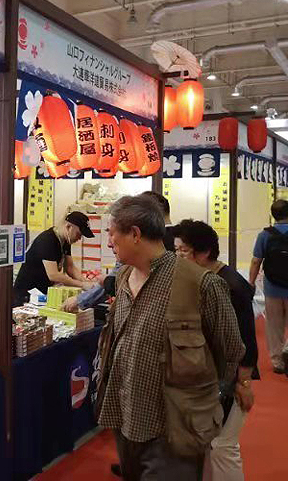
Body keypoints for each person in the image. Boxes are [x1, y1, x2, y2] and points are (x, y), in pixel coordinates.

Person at [97, 195, 244, 481]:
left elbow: (230, 350)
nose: (109, 242)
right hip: (125, 417)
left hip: (174, 427)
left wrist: (203, 403)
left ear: (135, 234)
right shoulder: (124, 277)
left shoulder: (201, 284)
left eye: (111, 233)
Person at [173, 219, 258, 481]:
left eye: (183, 250)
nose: (178, 256)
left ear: (204, 253)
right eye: (176, 250)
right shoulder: (201, 278)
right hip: (208, 376)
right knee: (209, 445)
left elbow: (246, 339)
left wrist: (243, 382)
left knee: (223, 446)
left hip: (230, 378)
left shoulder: (229, 286)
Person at [13, 211, 95, 306]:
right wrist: (82, 285)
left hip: (42, 293)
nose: (79, 238)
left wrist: (87, 283)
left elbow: (70, 268)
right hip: (26, 295)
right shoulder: (48, 240)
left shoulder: (65, 241)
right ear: (68, 227)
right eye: (78, 234)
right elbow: (53, 275)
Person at [249, 199, 288, 374]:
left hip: (272, 287)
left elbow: (256, 261)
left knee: (273, 325)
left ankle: (277, 361)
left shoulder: (265, 235)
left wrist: (251, 283)